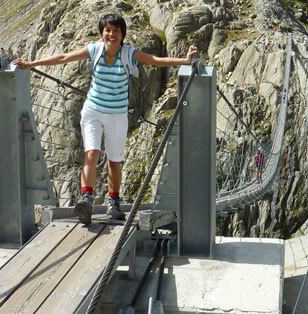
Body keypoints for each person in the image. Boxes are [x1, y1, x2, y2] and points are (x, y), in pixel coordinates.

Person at [13, 13, 197, 223]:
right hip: (93, 111)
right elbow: (63, 57)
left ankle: (114, 203)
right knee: (91, 154)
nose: (112, 34)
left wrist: (184, 60)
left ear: (122, 34)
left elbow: (155, 61)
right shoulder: (95, 50)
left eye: (116, 30)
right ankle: (86, 199)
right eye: (108, 30)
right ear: (102, 33)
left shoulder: (129, 53)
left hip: (117, 116)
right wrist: (31, 63)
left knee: (114, 162)